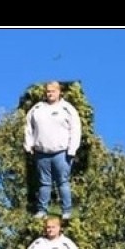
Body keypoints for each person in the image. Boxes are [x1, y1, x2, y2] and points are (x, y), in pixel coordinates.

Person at [24, 80, 82, 220]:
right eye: (48, 91)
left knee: (62, 183)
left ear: (59, 92)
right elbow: (29, 128)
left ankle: (66, 212)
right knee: (44, 184)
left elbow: (75, 129)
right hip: (41, 153)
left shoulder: (67, 109)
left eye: (53, 91)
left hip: (62, 153)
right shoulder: (37, 108)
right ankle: (42, 211)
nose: (50, 94)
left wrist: (72, 150)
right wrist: (28, 145)